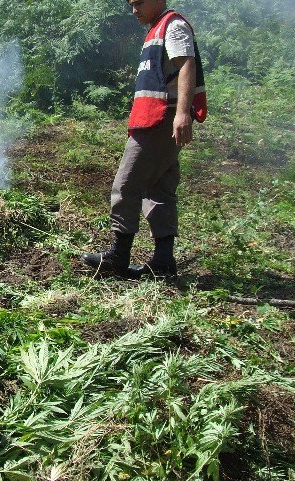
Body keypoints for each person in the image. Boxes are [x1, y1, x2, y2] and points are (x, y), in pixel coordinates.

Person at [82, 0, 207, 278]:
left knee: (126, 184)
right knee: (160, 188)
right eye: (131, 4)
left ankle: (118, 256)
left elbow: (187, 66)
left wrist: (182, 114)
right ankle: (163, 261)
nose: (134, 9)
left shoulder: (172, 26)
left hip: (161, 119)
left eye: (139, 3)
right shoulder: (156, 29)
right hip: (154, 118)